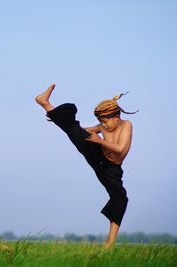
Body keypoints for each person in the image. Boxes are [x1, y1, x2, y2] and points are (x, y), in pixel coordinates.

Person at [35, 84, 137, 249]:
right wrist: (58, 119)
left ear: (116, 117)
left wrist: (100, 140)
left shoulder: (127, 126)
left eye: (104, 121)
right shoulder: (103, 126)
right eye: (100, 122)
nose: (103, 125)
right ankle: (45, 103)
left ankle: (109, 244)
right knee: (73, 130)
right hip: (97, 155)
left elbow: (120, 149)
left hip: (111, 168)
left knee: (120, 199)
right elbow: (81, 131)